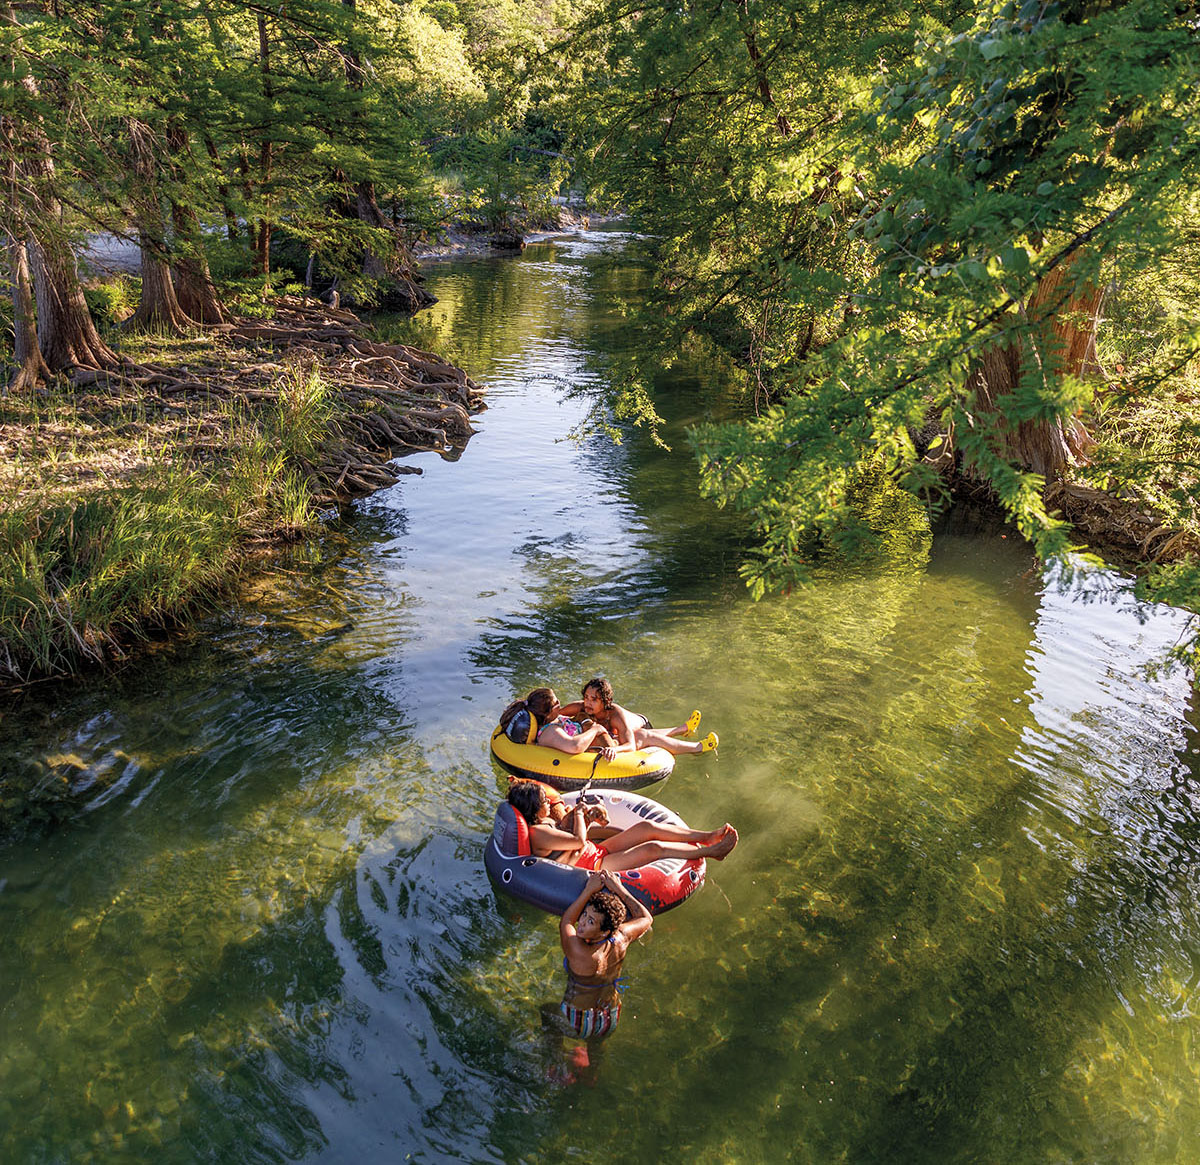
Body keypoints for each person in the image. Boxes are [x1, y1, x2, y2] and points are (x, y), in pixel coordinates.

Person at [541, 870, 651, 1084]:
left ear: (603, 932)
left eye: (591, 921)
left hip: (577, 1020)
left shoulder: (580, 952)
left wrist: (589, 890)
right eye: (585, 915)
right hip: (609, 1016)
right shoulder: (621, 937)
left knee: (546, 1012)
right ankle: (591, 1075)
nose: (582, 922)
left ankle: (557, 1066)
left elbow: (566, 922)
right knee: (596, 1043)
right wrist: (617, 887)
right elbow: (645, 918)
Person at [506, 780, 738, 872]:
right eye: (543, 801)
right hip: (594, 866)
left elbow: (574, 839)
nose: (548, 801)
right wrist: (578, 811)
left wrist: (587, 816)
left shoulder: (544, 822)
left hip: (594, 851)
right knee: (653, 848)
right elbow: (576, 841)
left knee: (646, 827)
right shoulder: (538, 833)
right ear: (534, 808)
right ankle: (709, 852)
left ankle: (706, 836)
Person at [559, 677, 718, 756]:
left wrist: (615, 750)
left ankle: (698, 747)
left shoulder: (615, 715)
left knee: (642, 735)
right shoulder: (582, 707)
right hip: (620, 730)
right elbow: (555, 713)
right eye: (586, 697)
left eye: (594, 699)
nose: (588, 702)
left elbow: (630, 745)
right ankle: (684, 728)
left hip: (641, 723)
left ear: (605, 701)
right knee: (627, 735)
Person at [499, 687, 618, 761]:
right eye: (557, 703)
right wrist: (596, 729)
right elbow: (574, 746)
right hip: (593, 751)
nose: (560, 703)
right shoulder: (550, 732)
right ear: (549, 712)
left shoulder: (552, 720)